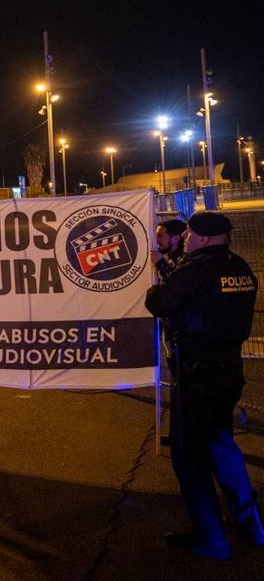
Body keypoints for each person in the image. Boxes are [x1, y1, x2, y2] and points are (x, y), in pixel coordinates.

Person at [144, 211, 264, 559]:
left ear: (207, 238)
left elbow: (159, 301)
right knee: (222, 444)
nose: (187, 240)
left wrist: (160, 283)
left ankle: (212, 537)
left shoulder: (196, 268)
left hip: (197, 376)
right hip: (229, 371)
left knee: (189, 456)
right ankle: (251, 523)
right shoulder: (241, 268)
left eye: (191, 235)